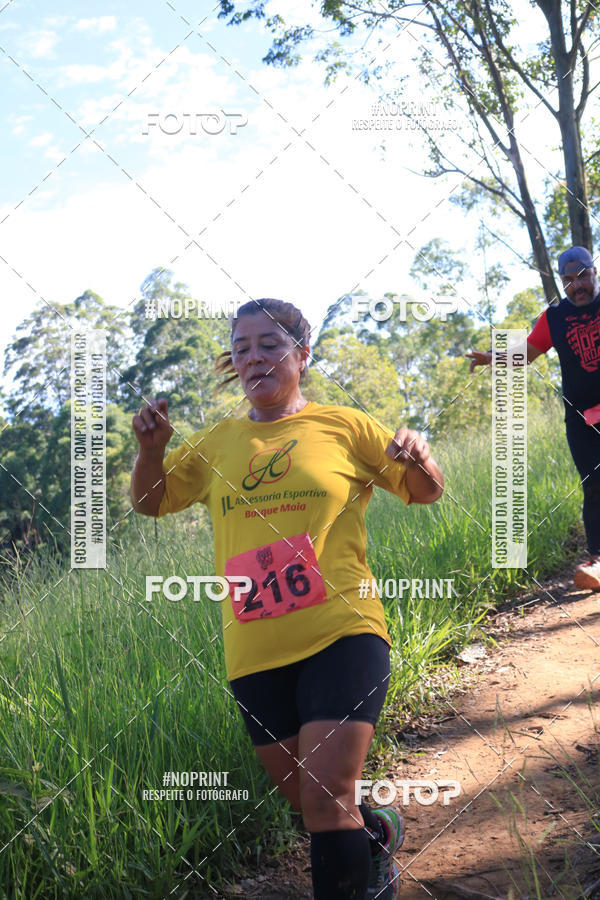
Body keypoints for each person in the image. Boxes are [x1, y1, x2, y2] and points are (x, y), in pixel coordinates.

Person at [130, 297, 444, 899]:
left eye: (270, 345)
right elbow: (152, 502)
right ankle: (373, 835)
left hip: (341, 630)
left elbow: (423, 491)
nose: (254, 359)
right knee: (310, 806)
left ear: (302, 354)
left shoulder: (344, 427)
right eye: (241, 348)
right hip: (254, 647)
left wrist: (422, 458)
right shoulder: (220, 442)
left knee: (326, 802)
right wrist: (150, 452)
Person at [466, 245, 600, 591]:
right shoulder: (553, 318)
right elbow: (526, 353)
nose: (577, 285)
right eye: (568, 280)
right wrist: (490, 358)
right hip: (582, 419)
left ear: (593, 271)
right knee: (594, 484)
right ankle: (597, 559)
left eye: (582, 276)